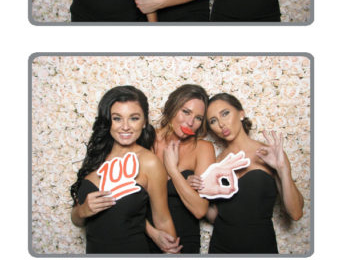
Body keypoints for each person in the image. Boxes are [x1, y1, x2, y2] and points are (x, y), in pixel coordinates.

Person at [188, 92, 303, 254]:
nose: (221, 124)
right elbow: (216, 216)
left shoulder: (270, 154)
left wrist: (282, 169)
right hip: (221, 249)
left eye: (225, 113)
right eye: (213, 121)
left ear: (241, 113)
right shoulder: (216, 163)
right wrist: (196, 190)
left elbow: (296, 213)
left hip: (261, 249)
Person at [70, 87, 177, 254]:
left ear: (144, 122)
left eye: (134, 118)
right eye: (117, 118)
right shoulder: (97, 156)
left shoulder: (150, 162)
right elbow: (77, 219)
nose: (125, 127)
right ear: (107, 121)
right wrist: (82, 210)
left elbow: (162, 219)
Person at [146, 84, 216, 254]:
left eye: (198, 118)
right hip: (143, 236)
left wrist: (173, 171)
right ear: (172, 108)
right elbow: (127, 199)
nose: (191, 122)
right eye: (186, 112)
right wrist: (153, 233)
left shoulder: (203, 148)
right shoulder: (146, 139)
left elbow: (200, 210)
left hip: (183, 242)